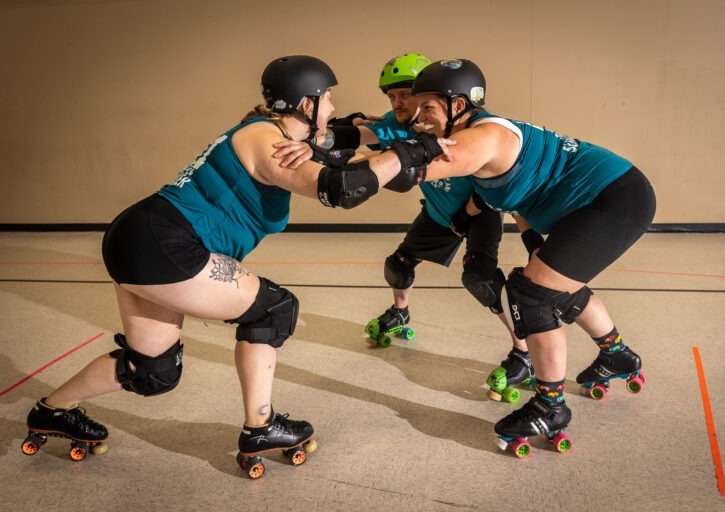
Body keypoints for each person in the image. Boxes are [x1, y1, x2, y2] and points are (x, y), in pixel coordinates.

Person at [21, 55, 447, 477]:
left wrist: (390, 147)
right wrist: (412, 150)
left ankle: (51, 411)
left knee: (152, 371)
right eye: (328, 97)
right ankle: (260, 428)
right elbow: (340, 190)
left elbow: (337, 158)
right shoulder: (267, 141)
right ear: (305, 103)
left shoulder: (276, 136)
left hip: (141, 237)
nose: (333, 107)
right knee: (275, 309)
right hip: (165, 242)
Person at [375, 58, 656, 450]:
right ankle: (617, 354)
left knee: (531, 294)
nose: (419, 118)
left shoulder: (479, 139)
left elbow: (406, 171)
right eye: (416, 108)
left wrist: (334, 166)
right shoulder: (480, 133)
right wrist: (529, 242)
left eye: (428, 108)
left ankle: (550, 406)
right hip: (604, 198)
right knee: (554, 282)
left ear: (458, 106)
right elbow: (515, 197)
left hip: (612, 200)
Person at [274, 54, 535, 390]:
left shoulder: (461, 128)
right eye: (390, 96)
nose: (396, 103)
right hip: (439, 212)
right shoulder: (393, 124)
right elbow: (349, 138)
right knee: (397, 266)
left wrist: (465, 214)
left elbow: (494, 180)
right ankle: (400, 313)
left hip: (478, 209)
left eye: (404, 95)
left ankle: (524, 351)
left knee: (480, 280)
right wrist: (302, 138)